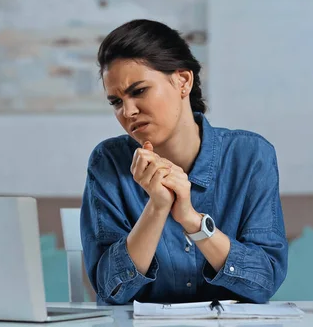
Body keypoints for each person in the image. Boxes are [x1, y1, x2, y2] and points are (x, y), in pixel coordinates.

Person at [80, 19, 288, 305]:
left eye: (139, 91)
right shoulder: (108, 163)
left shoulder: (251, 156)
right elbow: (110, 289)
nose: (127, 111)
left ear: (183, 81)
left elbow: (263, 280)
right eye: (116, 102)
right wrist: (157, 207)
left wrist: (192, 221)